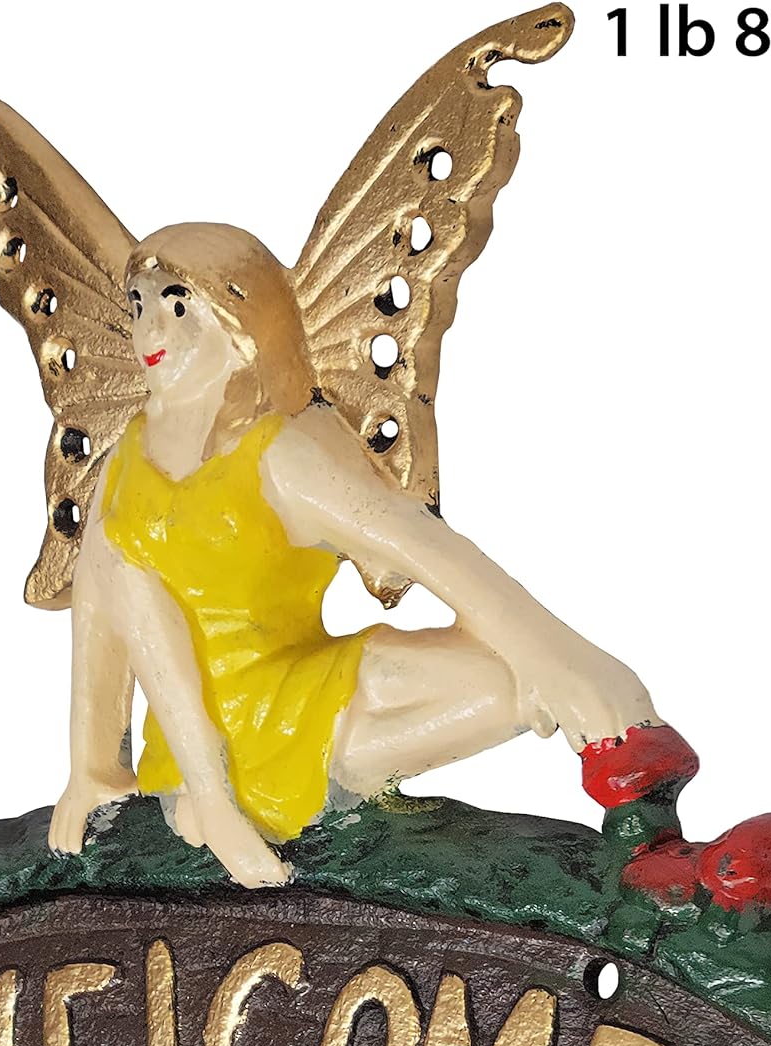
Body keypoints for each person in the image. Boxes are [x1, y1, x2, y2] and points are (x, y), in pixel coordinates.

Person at [48, 224, 673, 888]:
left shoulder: (285, 451)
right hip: (194, 742)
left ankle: (630, 793)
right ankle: (228, 801)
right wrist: (93, 769)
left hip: (309, 693)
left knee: (507, 685)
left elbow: (423, 547)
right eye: (138, 305)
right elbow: (98, 611)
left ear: (242, 321)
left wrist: (567, 662)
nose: (150, 331)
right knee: (123, 568)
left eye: (178, 305)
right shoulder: (125, 464)